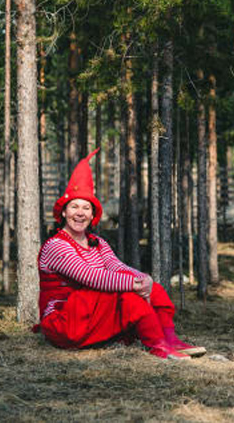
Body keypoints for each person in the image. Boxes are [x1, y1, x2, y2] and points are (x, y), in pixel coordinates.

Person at [34, 148, 205, 360]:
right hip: (65, 321)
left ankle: (170, 339)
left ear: (92, 214)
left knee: (155, 289)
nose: (80, 213)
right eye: (74, 207)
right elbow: (91, 277)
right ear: (63, 212)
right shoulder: (56, 246)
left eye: (86, 208)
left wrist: (144, 279)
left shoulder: (97, 242)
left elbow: (117, 267)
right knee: (128, 294)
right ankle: (157, 345)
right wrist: (134, 285)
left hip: (90, 313)